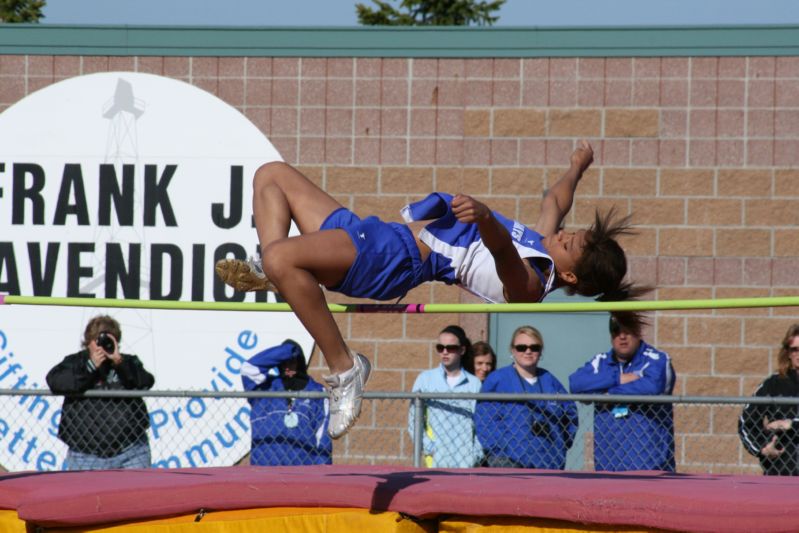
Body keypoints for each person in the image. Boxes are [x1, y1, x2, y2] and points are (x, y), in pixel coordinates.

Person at [215, 140, 641, 439]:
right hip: (380, 235)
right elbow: (556, 201)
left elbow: (500, 251)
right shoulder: (543, 238)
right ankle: (276, 272)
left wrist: (485, 216)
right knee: (272, 176)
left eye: (573, 245)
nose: (566, 236)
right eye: (575, 233)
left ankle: (345, 367)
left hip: (396, 259)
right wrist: (577, 166)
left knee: (282, 259)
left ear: (569, 277)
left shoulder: (531, 283)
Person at [569, 312, 676, 472]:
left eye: (628, 331)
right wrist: (619, 379)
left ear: (638, 331)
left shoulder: (656, 359)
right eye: (616, 331)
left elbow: (652, 387)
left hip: (649, 464)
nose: (622, 337)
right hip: (607, 463)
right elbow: (576, 383)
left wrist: (606, 394)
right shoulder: (601, 361)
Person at [46, 315, 154, 470]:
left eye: (108, 341)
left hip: (131, 450)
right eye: (98, 341)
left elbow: (146, 381)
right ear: (88, 342)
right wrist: (91, 366)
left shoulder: (127, 362)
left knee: (137, 493)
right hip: (85, 454)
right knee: (83, 495)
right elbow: (55, 381)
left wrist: (120, 363)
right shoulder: (76, 362)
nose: (102, 347)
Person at [474, 326, 577, 469]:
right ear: (512, 350)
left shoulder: (550, 381)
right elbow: (485, 421)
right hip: (509, 465)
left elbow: (570, 414)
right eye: (521, 347)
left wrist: (560, 446)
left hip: (549, 464)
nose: (528, 351)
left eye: (534, 347)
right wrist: (501, 453)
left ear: (540, 351)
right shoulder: (497, 380)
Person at [241, 339, 332, 466]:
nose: (287, 367)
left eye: (292, 361)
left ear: (300, 362)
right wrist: (288, 351)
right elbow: (248, 369)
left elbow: (323, 437)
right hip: (263, 472)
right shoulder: (265, 387)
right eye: (283, 362)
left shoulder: (317, 391)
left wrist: (322, 472)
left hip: (302, 473)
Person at [407, 325, 483, 468]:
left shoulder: (474, 383)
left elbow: (481, 424)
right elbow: (414, 421)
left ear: (462, 350)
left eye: (451, 348)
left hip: (466, 463)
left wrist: (475, 454)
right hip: (436, 462)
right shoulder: (425, 379)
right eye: (440, 347)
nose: (445, 352)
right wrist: (430, 448)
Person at [738, 323, 799, 476]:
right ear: (788, 353)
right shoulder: (774, 384)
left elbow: (789, 425)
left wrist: (791, 424)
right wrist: (763, 447)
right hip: (781, 472)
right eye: (795, 349)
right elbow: (746, 422)